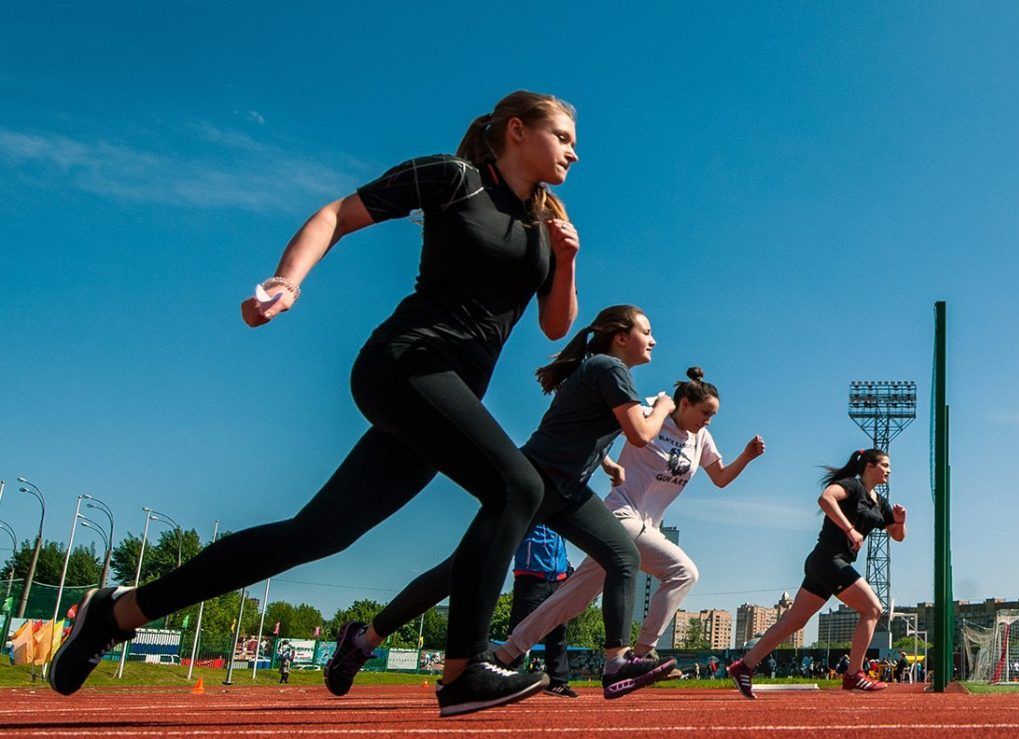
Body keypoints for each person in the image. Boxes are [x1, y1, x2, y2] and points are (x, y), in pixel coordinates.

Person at [49, 91, 583, 717]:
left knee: (317, 535)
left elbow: (554, 326)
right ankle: (464, 671)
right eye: (565, 136)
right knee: (516, 486)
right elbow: (336, 214)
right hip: (405, 364)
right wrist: (288, 281)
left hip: (450, 393)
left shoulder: (546, 221)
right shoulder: (453, 177)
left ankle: (116, 613)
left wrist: (567, 260)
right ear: (517, 131)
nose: (575, 151)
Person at [326, 306, 679, 707]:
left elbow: (575, 428)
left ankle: (616, 663)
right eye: (646, 331)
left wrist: (607, 464)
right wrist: (664, 409)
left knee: (622, 557)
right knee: (457, 572)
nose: (652, 341)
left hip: (568, 491)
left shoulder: (602, 369)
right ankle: (363, 638)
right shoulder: (609, 368)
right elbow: (640, 434)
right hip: (536, 482)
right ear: (620, 336)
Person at [493, 366, 763, 672]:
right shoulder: (650, 415)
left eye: (712, 416)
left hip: (650, 527)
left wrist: (746, 456)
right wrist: (607, 463)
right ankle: (641, 653)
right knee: (683, 572)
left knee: (573, 598)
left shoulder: (701, 438)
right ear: (684, 403)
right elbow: (599, 434)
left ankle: (505, 653)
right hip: (621, 516)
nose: (708, 421)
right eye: (705, 412)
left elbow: (720, 477)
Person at [727, 449, 907, 698]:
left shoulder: (880, 502)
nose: (889, 470)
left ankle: (744, 666)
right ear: (869, 466)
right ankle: (854, 674)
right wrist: (849, 529)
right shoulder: (852, 487)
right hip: (828, 560)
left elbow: (897, 537)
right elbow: (825, 499)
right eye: (885, 465)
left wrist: (899, 522)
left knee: (794, 621)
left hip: (826, 564)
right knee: (872, 608)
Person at [508, 524, 577, 698]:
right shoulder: (529, 511)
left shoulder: (559, 515)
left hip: (559, 578)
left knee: (559, 631)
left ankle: (557, 680)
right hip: (531, 576)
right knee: (521, 629)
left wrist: (567, 567)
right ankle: (508, 675)